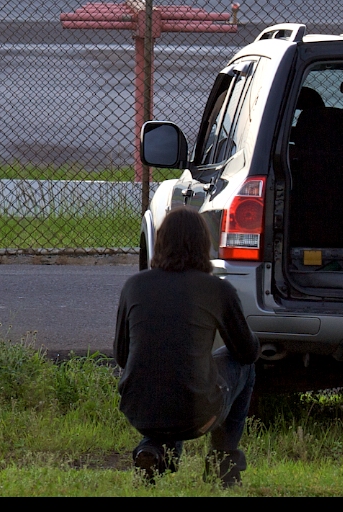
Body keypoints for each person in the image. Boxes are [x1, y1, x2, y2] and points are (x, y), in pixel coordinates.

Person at [114, 207, 259, 487]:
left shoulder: (134, 286)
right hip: (198, 415)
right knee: (241, 367)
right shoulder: (217, 290)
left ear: (161, 242)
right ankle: (223, 465)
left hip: (137, 410)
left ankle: (153, 451)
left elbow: (122, 356)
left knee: (170, 378)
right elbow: (246, 353)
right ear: (204, 244)